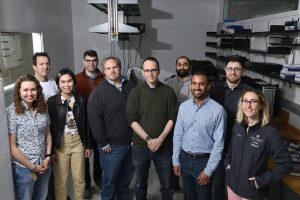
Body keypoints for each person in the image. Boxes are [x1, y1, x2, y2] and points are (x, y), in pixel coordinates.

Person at [224, 89, 293, 200]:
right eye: (245, 101)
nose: (248, 105)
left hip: (252, 193)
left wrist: (263, 180)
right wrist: (227, 164)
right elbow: (231, 150)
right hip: (232, 187)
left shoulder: (270, 133)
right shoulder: (237, 126)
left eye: (253, 101)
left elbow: (286, 164)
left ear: (261, 105)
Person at [126, 57, 178, 200]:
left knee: (167, 185)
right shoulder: (135, 93)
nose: (150, 73)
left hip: (164, 146)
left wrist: (160, 139)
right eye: (147, 70)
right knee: (140, 184)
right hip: (140, 146)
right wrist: (149, 139)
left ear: (159, 71)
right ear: (142, 73)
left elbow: (172, 118)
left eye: (153, 70)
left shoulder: (168, 92)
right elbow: (132, 120)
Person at [172, 71, 226, 200]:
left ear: (208, 87)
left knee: (203, 196)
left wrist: (208, 170)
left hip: (204, 161)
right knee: (189, 195)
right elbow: (178, 134)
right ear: (190, 86)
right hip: (185, 159)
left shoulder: (218, 110)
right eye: (194, 83)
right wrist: (176, 160)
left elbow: (219, 144)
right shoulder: (183, 107)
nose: (197, 87)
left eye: (201, 84)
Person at [88, 56, 135, 200]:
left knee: (125, 180)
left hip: (131, 143)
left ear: (119, 68)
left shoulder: (130, 86)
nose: (112, 70)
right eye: (108, 68)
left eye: (114, 67)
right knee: (109, 181)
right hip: (111, 146)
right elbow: (94, 119)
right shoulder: (99, 92)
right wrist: (103, 142)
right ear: (104, 71)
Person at [210, 55, 251, 200]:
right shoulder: (215, 90)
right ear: (225, 70)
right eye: (230, 69)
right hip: (217, 141)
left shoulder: (249, 92)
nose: (233, 72)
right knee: (218, 180)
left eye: (237, 69)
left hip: (238, 143)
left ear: (243, 72)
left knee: (238, 181)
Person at [47, 68, 91, 200]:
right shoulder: (52, 102)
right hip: (60, 145)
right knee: (61, 181)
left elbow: (86, 124)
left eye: (69, 81)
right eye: (63, 82)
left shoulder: (81, 99)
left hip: (78, 143)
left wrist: (87, 145)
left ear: (74, 82)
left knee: (79, 179)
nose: (66, 85)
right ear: (58, 84)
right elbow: (49, 127)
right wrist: (51, 151)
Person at [7, 74, 52, 200]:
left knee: (42, 197)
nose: (30, 93)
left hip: (44, 165)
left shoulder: (43, 108)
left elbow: (48, 136)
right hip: (24, 169)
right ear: (18, 91)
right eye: (25, 90)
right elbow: (13, 148)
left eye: (33, 89)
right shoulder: (12, 111)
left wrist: (48, 157)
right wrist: (33, 167)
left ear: (38, 90)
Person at [75, 50, 104, 198]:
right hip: (82, 123)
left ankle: (99, 179)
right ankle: (86, 183)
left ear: (97, 61)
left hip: (100, 123)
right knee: (84, 156)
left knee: (99, 154)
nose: (91, 63)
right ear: (83, 62)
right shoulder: (76, 79)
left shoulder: (104, 78)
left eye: (93, 60)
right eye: (88, 60)